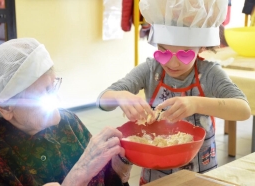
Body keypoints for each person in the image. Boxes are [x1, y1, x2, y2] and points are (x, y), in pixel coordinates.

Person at [97, 0, 251, 185]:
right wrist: (120, 96)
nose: (172, 63)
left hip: (199, 175)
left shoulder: (209, 74)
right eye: (163, 52)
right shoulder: (150, 70)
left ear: (201, 48)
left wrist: (197, 104)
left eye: (184, 54)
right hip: (154, 177)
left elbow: (243, 110)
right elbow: (102, 100)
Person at [0, 38, 132, 185]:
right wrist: (79, 175)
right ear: (6, 107)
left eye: (53, 85)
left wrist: (118, 167)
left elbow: (103, 180)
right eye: (45, 92)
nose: (56, 99)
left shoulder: (68, 122)